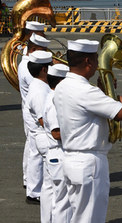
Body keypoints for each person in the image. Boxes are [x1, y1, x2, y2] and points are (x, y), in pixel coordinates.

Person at [53, 39, 122, 223]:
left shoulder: (62, 86)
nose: (98, 64)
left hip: (70, 159)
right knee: (90, 218)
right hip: (89, 162)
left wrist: (103, 91)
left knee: (77, 216)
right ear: (88, 61)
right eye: (96, 59)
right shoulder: (85, 91)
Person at [19, 31, 50, 204]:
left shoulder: (30, 65)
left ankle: (30, 183)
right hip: (35, 116)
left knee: (32, 150)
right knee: (36, 154)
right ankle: (34, 191)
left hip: (32, 112)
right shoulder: (30, 71)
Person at [24, 50, 54, 219]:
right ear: (44, 69)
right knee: (50, 179)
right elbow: (44, 120)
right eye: (50, 66)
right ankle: (35, 193)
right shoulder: (39, 91)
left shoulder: (40, 85)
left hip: (42, 134)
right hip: (45, 135)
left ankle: (35, 192)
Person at [42, 63, 71, 222]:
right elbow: (56, 133)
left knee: (56, 198)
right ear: (60, 82)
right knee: (63, 203)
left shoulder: (52, 96)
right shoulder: (54, 101)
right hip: (59, 153)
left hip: (55, 153)